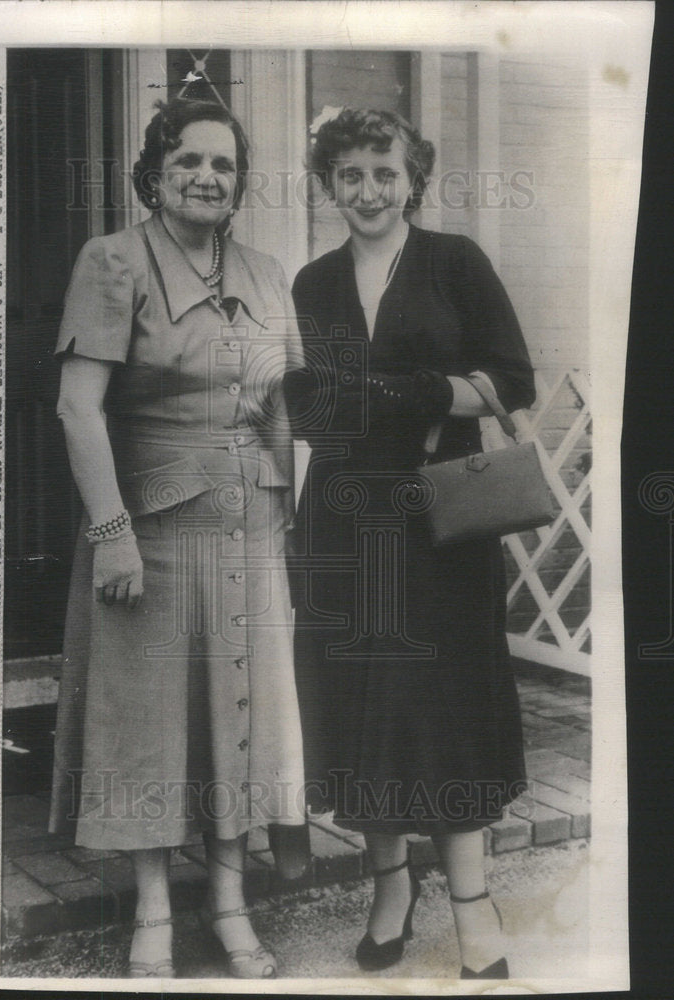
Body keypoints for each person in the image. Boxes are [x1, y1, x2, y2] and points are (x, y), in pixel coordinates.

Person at [48, 97, 308, 980]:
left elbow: (283, 411)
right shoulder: (112, 261)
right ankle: (153, 914)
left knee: (238, 712)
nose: (206, 177)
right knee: (149, 725)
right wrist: (112, 530)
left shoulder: (268, 273)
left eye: (223, 165)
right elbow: (77, 408)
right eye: (188, 161)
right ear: (153, 173)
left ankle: (231, 905)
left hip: (250, 525)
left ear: (240, 182)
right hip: (149, 530)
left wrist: (285, 498)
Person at [285, 108, 536, 979]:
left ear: (412, 177)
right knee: (362, 708)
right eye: (348, 175)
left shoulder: (454, 262)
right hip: (348, 519)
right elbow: (315, 407)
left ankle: (471, 904)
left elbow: (512, 380)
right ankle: (389, 887)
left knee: (448, 709)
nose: (367, 190)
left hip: (440, 524)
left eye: (383, 172)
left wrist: (415, 395)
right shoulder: (312, 284)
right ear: (328, 185)